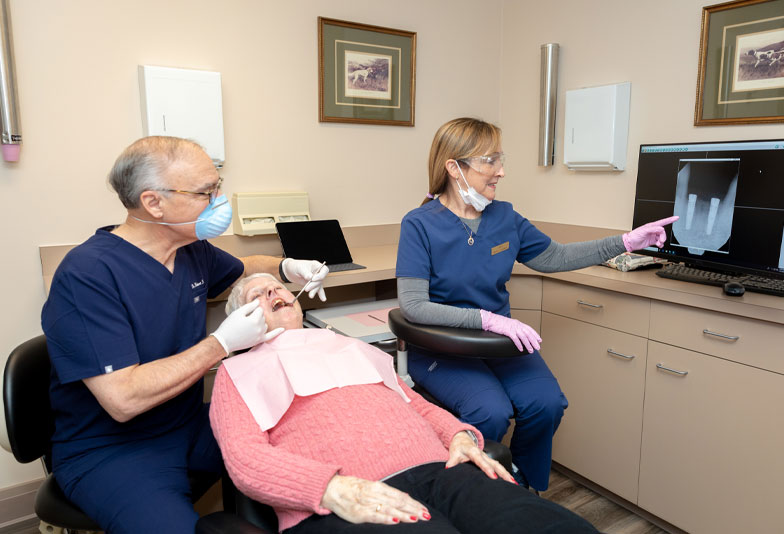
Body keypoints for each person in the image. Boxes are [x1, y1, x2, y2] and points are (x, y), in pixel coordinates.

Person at [40, 136, 330, 534]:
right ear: (153, 203)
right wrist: (221, 344)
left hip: (191, 425)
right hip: (110, 450)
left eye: (218, 186)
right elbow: (123, 398)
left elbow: (242, 266)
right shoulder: (88, 276)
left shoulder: (190, 249)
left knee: (304, 451)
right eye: (205, 193)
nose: (218, 201)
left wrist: (287, 267)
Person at [395, 117, 677, 491]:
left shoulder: (504, 217)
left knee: (546, 403)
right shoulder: (419, 224)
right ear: (454, 167)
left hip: (496, 344)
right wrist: (488, 320)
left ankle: (520, 487)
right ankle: (473, 497)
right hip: (443, 347)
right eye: (489, 161)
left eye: (500, 159)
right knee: (489, 412)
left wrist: (625, 242)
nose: (501, 171)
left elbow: (555, 257)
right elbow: (413, 306)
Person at [210, 273, 599, 534]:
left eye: (277, 287)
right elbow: (244, 459)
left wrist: (460, 436)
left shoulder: (348, 345)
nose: (274, 293)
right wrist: (331, 488)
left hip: (443, 470)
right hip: (351, 494)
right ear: (239, 321)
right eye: (256, 296)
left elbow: (417, 404)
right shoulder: (238, 372)